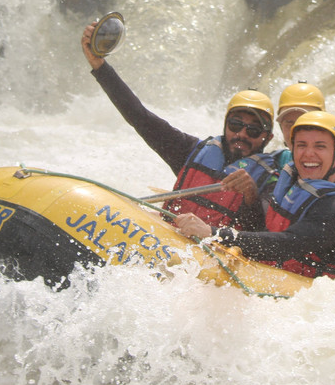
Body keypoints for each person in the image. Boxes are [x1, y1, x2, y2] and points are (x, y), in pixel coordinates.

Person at [81, 22, 272, 229]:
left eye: (253, 130)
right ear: (225, 125)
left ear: (268, 138)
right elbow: (140, 117)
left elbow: (263, 235)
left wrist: (251, 195)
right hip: (170, 241)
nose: (242, 134)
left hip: (217, 255)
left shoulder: (272, 181)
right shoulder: (190, 151)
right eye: (235, 125)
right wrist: (99, 66)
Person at [173, 111, 335, 278]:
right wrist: (250, 195)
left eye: (320, 146)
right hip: (280, 272)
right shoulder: (291, 181)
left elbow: (287, 244)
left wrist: (211, 232)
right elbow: (261, 227)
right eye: (301, 145)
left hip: (311, 295)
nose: (308, 154)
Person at [273, 82, 335, 178]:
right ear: (281, 127)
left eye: (305, 125)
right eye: (289, 124)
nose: (296, 131)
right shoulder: (275, 160)